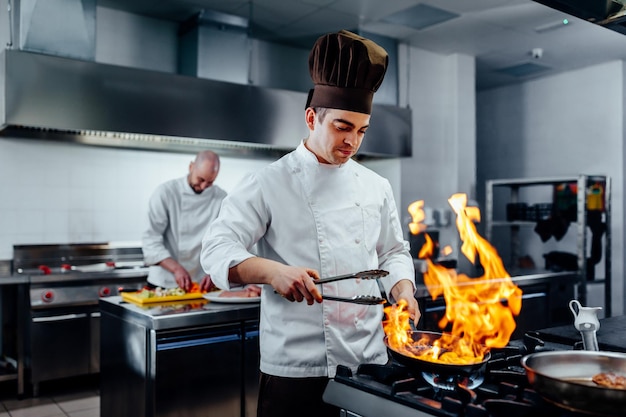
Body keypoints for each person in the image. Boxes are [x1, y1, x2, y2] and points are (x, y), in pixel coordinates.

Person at [201, 30, 420, 417]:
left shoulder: (376, 185)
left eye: (361, 131)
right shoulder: (268, 182)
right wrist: (272, 272)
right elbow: (217, 250)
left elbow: (392, 251)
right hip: (296, 371)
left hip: (369, 361)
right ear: (311, 118)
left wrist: (404, 290)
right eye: (342, 127)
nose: (352, 142)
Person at [142, 150, 226, 292]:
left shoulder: (222, 199)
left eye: (210, 182)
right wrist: (176, 269)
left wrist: (216, 271)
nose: (204, 186)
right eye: (200, 179)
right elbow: (151, 239)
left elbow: (224, 242)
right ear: (191, 167)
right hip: (164, 282)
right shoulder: (165, 193)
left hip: (201, 285)